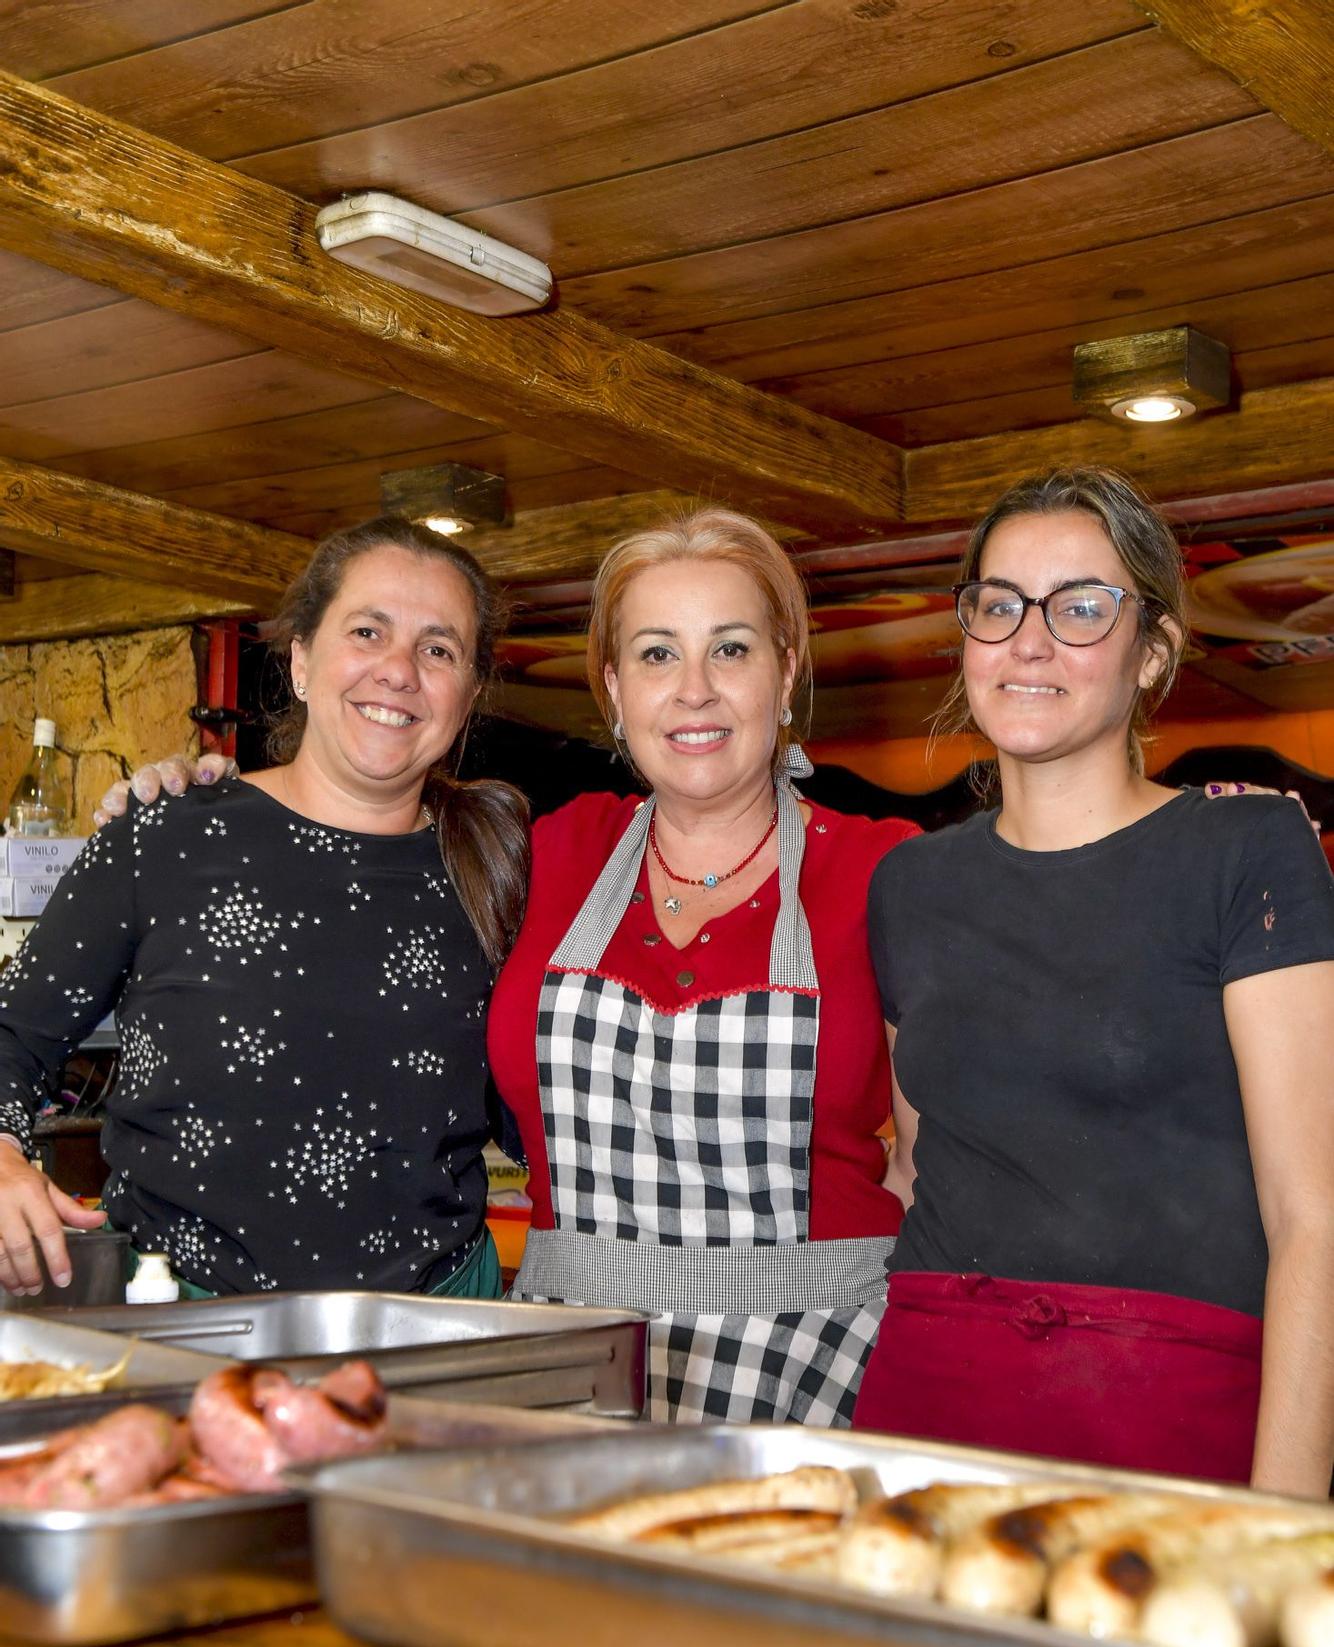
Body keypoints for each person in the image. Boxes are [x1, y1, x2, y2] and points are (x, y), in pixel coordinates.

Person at [853, 467, 1334, 1496]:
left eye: (1080, 607)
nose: (1028, 641)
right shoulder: (908, 882)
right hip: (927, 1398)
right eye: (998, 604)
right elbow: (921, 1162)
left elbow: (1313, 1217)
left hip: (1166, 1404)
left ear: (1149, 652)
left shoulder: (1243, 847)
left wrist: (1282, 1523)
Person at [0, 516, 527, 1301]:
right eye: (368, 631)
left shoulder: (502, 868)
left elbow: (545, 1105)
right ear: (303, 660)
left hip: (433, 1332)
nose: (399, 671)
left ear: (468, 695)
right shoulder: (166, 836)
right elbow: (13, 1033)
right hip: (181, 1326)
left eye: (438, 648)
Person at [486, 510, 918, 1422]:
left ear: (786, 668)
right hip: (575, 1367)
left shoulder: (887, 870)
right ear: (611, 686)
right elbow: (350, 845)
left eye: (729, 650)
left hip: (820, 1365)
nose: (693, 691)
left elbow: (939, 1170)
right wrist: (201, 801)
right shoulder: (548, 853)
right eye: (654, 654)